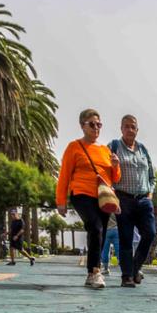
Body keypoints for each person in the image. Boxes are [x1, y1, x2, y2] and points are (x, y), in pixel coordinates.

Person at [57, 109, 120, 289]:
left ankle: (93, 271)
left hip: (103, 197)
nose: (96, 128)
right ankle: (95, 272)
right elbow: (64, 176)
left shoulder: (105, 150)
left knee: (99, 233)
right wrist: (61, 201)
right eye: (91, 124)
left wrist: (115, 166)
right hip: (82, 194)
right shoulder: (74, 147)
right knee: (95, 227)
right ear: (82, 126)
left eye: (99, 124)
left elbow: (114, 178)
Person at [107, 115, 157, 288]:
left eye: (133, 127)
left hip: (144, 200)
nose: (130, 130)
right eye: (126, 126)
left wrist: (150, 193)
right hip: (124, 199)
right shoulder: (113, 147)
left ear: (137, 130)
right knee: (126, 239)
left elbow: (152, 176)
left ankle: (135, 268)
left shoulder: (143, 149)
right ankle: (127, 276)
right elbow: (106, 173)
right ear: (121, 129)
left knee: (150, 233)